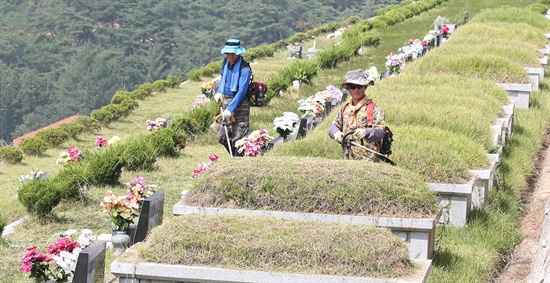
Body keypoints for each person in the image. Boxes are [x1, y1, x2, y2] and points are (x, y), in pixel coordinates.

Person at [328, 69, 386, 161]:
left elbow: (380, 132)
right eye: (352, 86)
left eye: (359, 86)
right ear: (348, 88)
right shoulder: (345, 109)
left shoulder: (374, 108)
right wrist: (336, 133)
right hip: (348, 161)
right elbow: (333, 126)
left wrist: (366, 132)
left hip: (369, 162)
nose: (356, 90)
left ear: (365, 87)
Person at [214, 39, 251, 156]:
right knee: (222, 135)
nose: (230, 56)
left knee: (239, 137)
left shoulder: (245, 69)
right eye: (227, 53)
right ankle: (234, 156)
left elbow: (242, 91)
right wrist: (219, 91)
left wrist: (231, 108)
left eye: (232, 53)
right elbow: (222, 78)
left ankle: (238, 160)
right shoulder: (226, 63)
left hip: (240, 103)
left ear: (238, 53)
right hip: (227, 100)